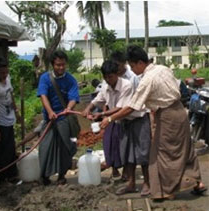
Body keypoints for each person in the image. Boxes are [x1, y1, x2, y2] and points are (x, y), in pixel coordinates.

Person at [100, 45, 206, 201]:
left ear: (140, 63)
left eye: (133, 66)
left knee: (163, 153)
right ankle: (197, 183)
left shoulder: (147, 80)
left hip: (167, 116)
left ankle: (167, 190)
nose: (133, 70)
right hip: (180, 112)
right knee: (185, 148)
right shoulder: (164, 69)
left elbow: (131, 107)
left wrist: (110, 118)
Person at [82, 59, 133, 179]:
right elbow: (97, 100)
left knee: (125, 146)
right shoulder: (105, 87)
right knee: (108, 142)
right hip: (112, 119)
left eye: (110, 77)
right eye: (106, 77)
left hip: (126, 119)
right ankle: (114, 170)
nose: (108, 80)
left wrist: (102, 114)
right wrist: (88, 109)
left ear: (117, 74)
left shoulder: (126, 85)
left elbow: (120, 107)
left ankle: (126, 172)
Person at [110, 51, 151, 196]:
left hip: (139, 118)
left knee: (143, 152)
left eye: (118, 66)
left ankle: (147, 183)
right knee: (128, 152)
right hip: (125, 121)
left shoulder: (134, 79)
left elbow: (132, 105)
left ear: (123, 64)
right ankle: (131, 183)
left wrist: (110, 118)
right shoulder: (114, 79)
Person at [37, 50, 79, 185]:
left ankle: (62, 175)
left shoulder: (71, 79)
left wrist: (69, 108)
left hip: (63, 118)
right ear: (52, 65)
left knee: (66, 147)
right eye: (58, 65)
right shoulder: (45, 78)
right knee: (45, 148)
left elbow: (73, 98)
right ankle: (44, 176)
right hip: (49, 119)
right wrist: (50, 112)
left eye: (63, 65)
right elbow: (43, 96)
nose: (61, 68)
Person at [0, 57, 20, 186]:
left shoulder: (8, 79)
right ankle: (2, 179)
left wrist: (16, 112)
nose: (5, 75)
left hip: (9, 119)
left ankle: (12, 176)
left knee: (10, 150)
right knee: (1, 152)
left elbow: (11, 94)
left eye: (6, 72)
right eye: (2, 73)